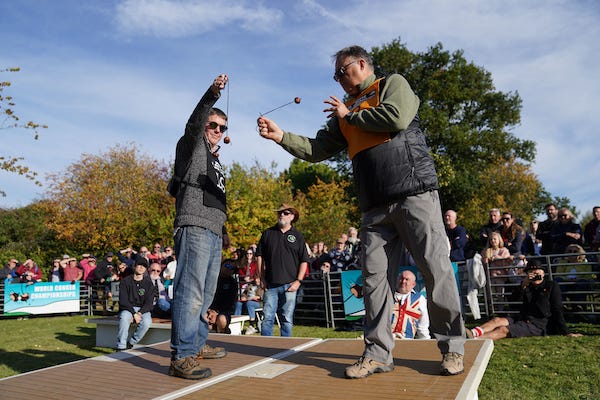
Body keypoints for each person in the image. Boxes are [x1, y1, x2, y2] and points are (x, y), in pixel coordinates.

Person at [257, 45, 465, 377]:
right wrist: (281, 136)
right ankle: (379, 353)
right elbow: (317, 148)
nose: (339, 79)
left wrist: (349, 116)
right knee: (373, 280)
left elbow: (397, 117)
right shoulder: (346, 111)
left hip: (414, 193)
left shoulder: (391, 85)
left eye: (342, 72)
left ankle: (452, 348)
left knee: (436, 269)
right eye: (336, 75)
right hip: (374, 206)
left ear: (362, 64)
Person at [167, 74, 230, 380]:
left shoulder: (215, 159)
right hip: (193, 225)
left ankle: (197, 344)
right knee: (190, 293)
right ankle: (182, 356)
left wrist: (224, 231)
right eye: (213, 125)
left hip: (213, 230)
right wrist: (212, 94)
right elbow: (193, 124)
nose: (218, 131)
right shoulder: (191, 145)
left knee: (205, 296)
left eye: (223, 128)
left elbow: (217, 200)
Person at [466, 259, 583, 340]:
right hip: (523, 317)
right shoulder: (526, 286)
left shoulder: (551, 285)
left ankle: (475, 340)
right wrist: (523, 286)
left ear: (543, 272)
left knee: (503, 329)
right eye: (531, 271)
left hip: (539, 324)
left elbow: (557, 309)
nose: (534, 273)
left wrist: (566, 332)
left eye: (537, 270)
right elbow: (513, 302)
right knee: (497, 320)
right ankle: (473, 333)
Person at [256, 203, 309, 337]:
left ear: (292, 216)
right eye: (280, 213)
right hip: (270, 284)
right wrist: (261, 277)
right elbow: (259, 257)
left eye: (285, 213)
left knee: (287, 318)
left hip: (290, 284)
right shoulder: (268, 233)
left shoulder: (298, 236)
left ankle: (285, 347)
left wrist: (298, 281)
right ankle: (265, 347)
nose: (281, 215)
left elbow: (304, 260)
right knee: (267, 317)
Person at [115, 257, 155, 350]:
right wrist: (133, 313)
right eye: (139, 265)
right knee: (124, 318)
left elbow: (149, 303)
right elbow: (123, 301)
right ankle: (121, 346)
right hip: (128, 309)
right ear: (134, 266)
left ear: (146, 269)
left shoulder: (149, 284)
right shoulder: (125, 281)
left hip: (142, 310)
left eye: (144, 266)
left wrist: (139, 313)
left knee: (147, 322)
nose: (141, 268)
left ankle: (131, 342)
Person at [391, 270, 430, 339]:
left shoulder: (420, 299)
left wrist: (426, 342)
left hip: (407, 341)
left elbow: (423, 325)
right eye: (401, 278)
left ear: (413, 284)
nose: (403, 282)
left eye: (407, 279)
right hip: (387, 340)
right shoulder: (388, 296)